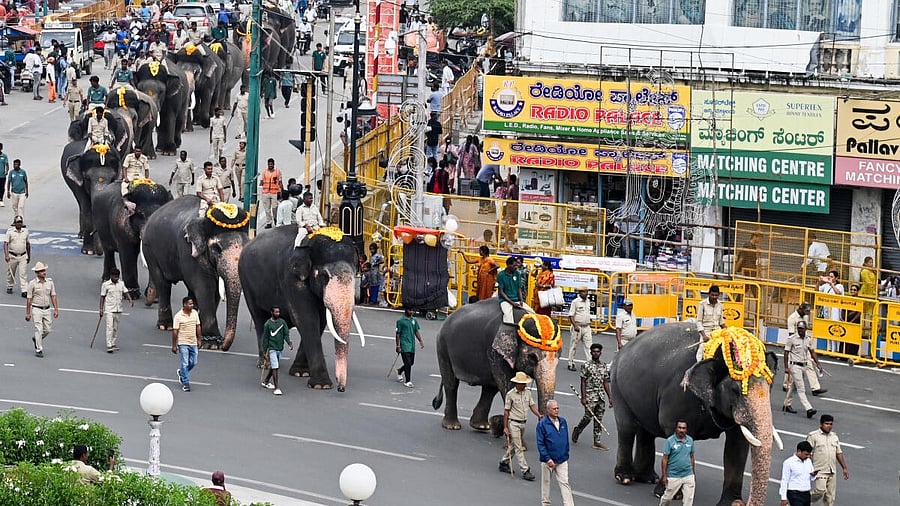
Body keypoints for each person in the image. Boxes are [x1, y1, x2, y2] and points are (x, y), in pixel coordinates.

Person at [498, 371, 541, 481]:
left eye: (524, 383)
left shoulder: (527, 393)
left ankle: (504, 462)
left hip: (523, 423)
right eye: (522, 383)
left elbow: (532, 405)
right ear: (517, 383)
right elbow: (506, 412)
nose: (524, 385)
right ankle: (525, 470)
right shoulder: (510, 394)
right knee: (519, 447)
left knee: (514, 445)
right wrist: (505, 427)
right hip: (514, 423)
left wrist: (539, 415)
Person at [572, 343, 613, 451]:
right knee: (588, 417)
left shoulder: (604, 366)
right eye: (594, 351)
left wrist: (610, 397)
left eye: (598, 351)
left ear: (600, 353)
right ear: (591, 353)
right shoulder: (586, 365)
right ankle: (578, 429)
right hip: (590, 396)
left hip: (600, 396)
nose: (596, 353)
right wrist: (583, 397)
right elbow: (583, 382)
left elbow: (605, 382)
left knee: (599, 419)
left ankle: (597, 441)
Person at [783, 302, 827, 396]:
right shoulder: (792, 318)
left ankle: (815, 388)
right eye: (806, 311)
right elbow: (791, 335)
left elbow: (805, 331)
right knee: (792, 364)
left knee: (809, 365)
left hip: (804, 343)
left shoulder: (805, 317)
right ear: (801, 309)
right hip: (795, 344)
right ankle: (786, 384)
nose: (808, 313)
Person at [536, 399, 574, 506]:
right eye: (554, 409)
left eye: (557, 408)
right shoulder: (542, 424)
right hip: (548, 461)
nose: (556, 410)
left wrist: (566, 454)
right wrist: (547, 459)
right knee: (546, 483)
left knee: (565, 483)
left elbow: (565, 439)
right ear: (548, 410)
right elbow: (540, 444)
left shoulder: (563, 422)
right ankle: (545, 503)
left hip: (562, 460)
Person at [784, 320, 824, 419]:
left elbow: (812, 352)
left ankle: (786, 404)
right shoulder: (792, 339)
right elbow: (786, 353)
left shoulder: (808, 339)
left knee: (794, 386)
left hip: (804, 366)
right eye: (798, 328)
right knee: (801, 389)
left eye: (802, 329)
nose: (800, 330)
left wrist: (818, 364)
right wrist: (786, 367)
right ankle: (808, 408)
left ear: (806, 329)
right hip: (795, 366)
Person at [806, 414, 849, 505]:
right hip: (819, 470)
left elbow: (838, 453)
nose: (829, 426)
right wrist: (808, 468)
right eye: (826, 424)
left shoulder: (834, 437)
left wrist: (844, 468)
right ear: (821, 424)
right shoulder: (813, 436)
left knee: (830, 498)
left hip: (832, 470)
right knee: (820, 490)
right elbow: (808, 454)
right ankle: (803, 500)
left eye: (831, 424)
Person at [658, 419, 696, 506]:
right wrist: (664, 475)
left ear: (686, 430)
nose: (681, 430)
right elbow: (664, 458)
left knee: (688, 501)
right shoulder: (670, 441)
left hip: (688, 475)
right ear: (676, 429)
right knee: (667, 498)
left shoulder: (690, 441)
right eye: (680, 428)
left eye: (683, 428)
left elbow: (692, 457)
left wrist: (693, 473)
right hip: (674, 476)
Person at [25, 261, 59, 358]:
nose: (44, 272)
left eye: (44, 270)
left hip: (47, 309)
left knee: (47, 329)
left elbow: (53, 296)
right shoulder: (32, 284)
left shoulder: (50, 282)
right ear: (37, 273)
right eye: (41, 271)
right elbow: (29, 299)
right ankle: (39, 349)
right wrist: (28, 313)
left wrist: (56, 309)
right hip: (36, 309)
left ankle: (37, 339)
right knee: (38, 329)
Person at [99, 268, 133, 353]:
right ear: (111, 276)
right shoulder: (106, 285)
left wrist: (130, 300)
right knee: (109, 327)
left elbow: (125, 292)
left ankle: (113, 343)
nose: (116, 278)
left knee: (115, 328)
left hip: (118, 309)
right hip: (109, 309)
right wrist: (101, 309)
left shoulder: (121, 284)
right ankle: (109, 345)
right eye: (114, 277)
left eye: (117, 277)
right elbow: (102, 297)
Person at [261, 306, 293, 395]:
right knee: (275, 367)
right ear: (272, 312)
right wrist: (264, 351)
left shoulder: (282, 322)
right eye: (276, 312)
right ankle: (277, 388)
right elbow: (265, 338)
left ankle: (266, 381)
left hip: (280, 348)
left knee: (274, 366)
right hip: (272, 349)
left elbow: (286, 334)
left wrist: (289, 343)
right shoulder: (268, 324)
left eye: (278, 312)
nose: (278, 313)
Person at [172, 296, 201, 392]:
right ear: (184, 305)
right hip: (183, 342)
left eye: (192, 304)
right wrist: (174, 345)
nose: (192, 305)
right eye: (190, 304)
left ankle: (182, 373)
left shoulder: (195, 313)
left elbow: (198, 327)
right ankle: (186, 383)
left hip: (193, 342)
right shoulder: (178, 316)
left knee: (193, 362)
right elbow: (175, 331)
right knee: (185, 363)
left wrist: (199, 340)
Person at [497, 256, 534, 326]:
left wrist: (521, 300)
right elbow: (501, 292)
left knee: (532, 313)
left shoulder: (517, 274)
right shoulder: (501, 275)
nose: (516, 267)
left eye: (517, 265)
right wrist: (512, 303)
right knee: (508, 316)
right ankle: (508, 332)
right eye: (514, 265)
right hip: (505, 301)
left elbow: (519, 288)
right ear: (508, 265)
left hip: (516, 299)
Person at [779, 441, 817, 506]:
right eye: (806, 454)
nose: (808, 456)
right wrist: (783, 498)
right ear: (799, 451)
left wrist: (813, 475)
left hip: (806, 493)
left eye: (809, 454)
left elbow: (811, 478)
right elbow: (784, 480)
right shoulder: (789, 462)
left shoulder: (808, 461)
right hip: (794, 494)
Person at [395, 307, 424, 388]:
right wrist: (397, 346)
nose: (411, 312)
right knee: (407, 363)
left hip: (411, 345)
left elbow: (416, 331)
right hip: (404, 345)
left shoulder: (414, 320)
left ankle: (400, 370)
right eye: (410, 310)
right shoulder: (400, 321)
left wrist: (420, 341)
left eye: (412, 310)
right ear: (406, 310)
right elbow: (398, 334)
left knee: (411, 363)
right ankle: (408, 381)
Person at [695, 285, 726, 359]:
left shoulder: (720, 305)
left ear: (719, 295)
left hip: (717, 331)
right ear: (709, 294)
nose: (714, 297)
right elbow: (699, 321)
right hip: (706, 331)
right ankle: (698, 365)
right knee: (702, 349)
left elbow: (721, 322)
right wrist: (704, 336)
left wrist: (729, 331)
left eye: (716, 295)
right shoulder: (702, 304)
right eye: (712, 295)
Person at [566, 286, 592, 371]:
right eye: (584, 292)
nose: (586, 293)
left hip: (587, 326)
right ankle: (571, 363)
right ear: (580, 293)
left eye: (587, 291)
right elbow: (571, 315)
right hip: (578, 326)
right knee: (574, 346)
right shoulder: (575, 302)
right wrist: (575, 326)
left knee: (589, 346)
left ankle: (590, 364)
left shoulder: (588, 301)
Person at [818, 270, 844, 353]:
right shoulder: (825, 286)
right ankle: (829, 349)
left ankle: (835, 350)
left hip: (835, 309)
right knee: (828, 327)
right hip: (827, 309)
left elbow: (838, 293)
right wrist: (819, 282)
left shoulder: (840, 286)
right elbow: (817, 290)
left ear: (836, 278)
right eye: (829, 276)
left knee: (835, 328)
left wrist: (831, 284)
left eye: (832, 277)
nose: (830, 278)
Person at [5, 215, 30, 297]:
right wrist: (6, 255)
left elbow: (28, 244)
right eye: (18, 222)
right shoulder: (10, 232)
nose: (19, 224)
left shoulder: (25, 232)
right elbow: (6, 244)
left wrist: (29, 256)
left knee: (23, 273)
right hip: (12, 255)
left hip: (23, 256)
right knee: (11, 272)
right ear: (14, 223)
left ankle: (24, 290)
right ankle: (10, 285)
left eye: (20, 222)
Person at [259, 158, 282, 229]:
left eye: (271, 164)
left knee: (275, 208)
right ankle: (269, 222)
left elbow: (280, 183)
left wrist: (281, 192)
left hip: (274, 193)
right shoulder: (264, 172)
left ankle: (275, 219)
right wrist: (260, 190)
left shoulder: (277, 172)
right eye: (269, 164)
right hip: (266, 192)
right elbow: (261, 182)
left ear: (274, 164)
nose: (270, 165)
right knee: (267, 209)